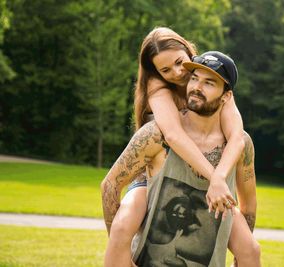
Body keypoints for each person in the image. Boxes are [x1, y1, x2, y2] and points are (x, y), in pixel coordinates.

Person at [101, 28, 260, 266]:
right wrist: (119, 247)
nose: (177, 73)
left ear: (188, 52)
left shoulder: (215, 77)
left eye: (179, 63)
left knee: (251, 249)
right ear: (157, 72)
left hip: (206, 178)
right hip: (154, 173)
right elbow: (173, 136)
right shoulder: (158, 87)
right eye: (165, 70)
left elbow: (237, 137)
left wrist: (218, 179)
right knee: (123, 226)